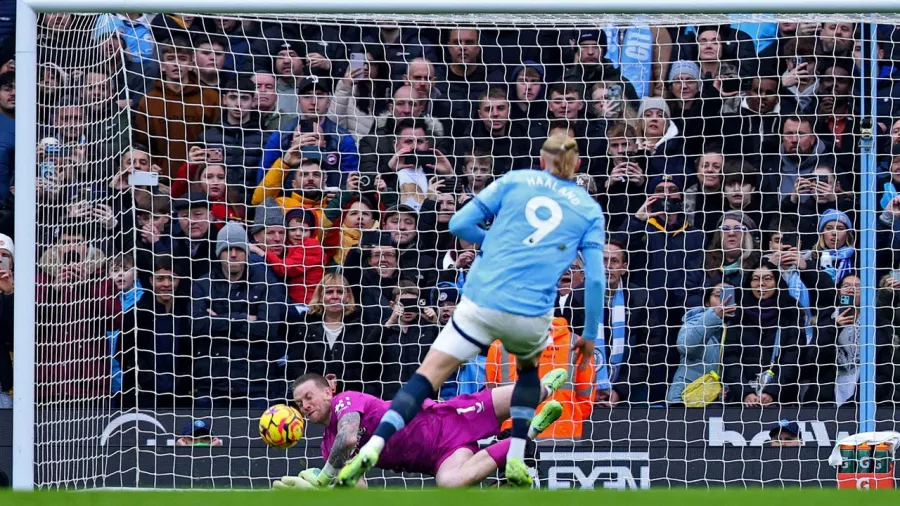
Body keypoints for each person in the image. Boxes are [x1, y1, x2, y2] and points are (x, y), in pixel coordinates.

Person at [337, 134, 606, 488]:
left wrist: (494, 243)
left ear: (541, 160)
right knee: (527, 377)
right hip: (530, 311)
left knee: (426, 377)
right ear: (578, 165)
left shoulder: (515, 180)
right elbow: (598, 281)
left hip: (482, 299)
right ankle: (516, 454)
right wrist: (587, 335)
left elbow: (458, 225)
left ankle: (375, 443)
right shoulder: (588, 209)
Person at [275, 371, 567, 489]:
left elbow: (349, 437)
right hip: (439, 457)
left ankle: (547, 386)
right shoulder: (329, 448)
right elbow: (358, 488)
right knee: (449, 484)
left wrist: (323, 477)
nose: (304, 406)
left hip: (446, 420)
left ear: (329, 391)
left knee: (529, 395)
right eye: (299, 403)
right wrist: (326, 492)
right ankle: (524, 435)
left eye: (309, 397)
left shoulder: (345, 402)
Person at [667, 283, 735, 404]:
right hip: (685, 397)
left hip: (718, 401)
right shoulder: (693, 321)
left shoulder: (738, 328)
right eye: (719, 295)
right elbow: (685, 347)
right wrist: (714, 316)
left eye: (730, 296)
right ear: (707, 302)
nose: (724, 300)